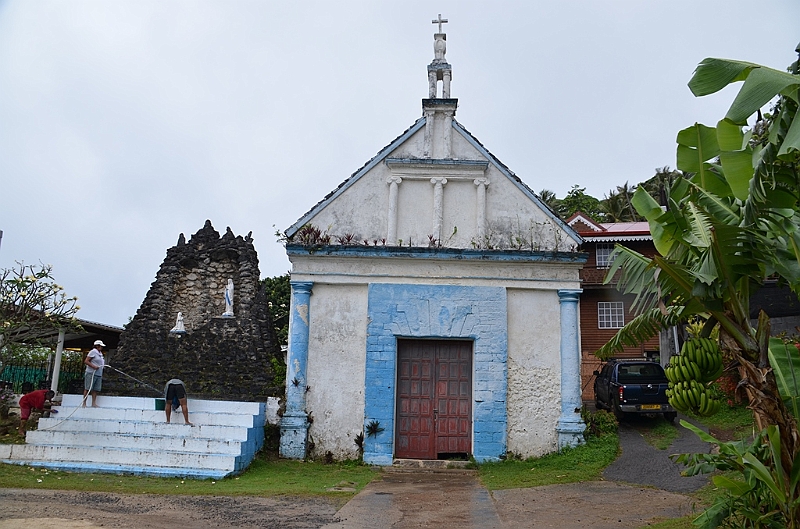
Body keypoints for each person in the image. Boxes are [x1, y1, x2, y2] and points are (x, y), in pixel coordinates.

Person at [83, 340, 106, 407]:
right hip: (91, 372)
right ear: (97, 346)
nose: (101, 347)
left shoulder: (100, 354)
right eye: (100, 346)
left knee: (95, 389)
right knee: (88, 388)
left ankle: (94, 403)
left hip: (98, 373)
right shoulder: (93, 352)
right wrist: (93, 366)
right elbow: (86, 361)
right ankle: (84, 403)